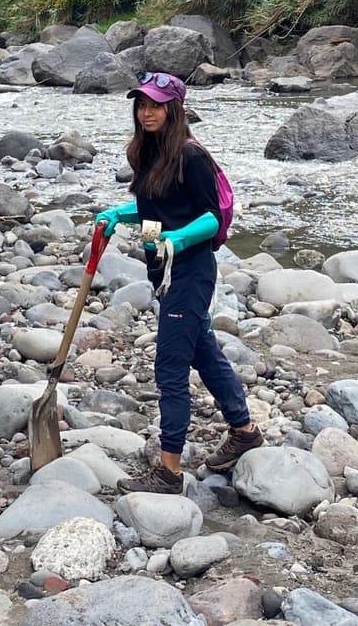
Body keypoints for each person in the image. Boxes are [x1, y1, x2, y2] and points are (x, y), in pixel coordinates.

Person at [96, 71, 262, 494]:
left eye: (155, 105)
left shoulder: (191, 156)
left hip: (191, 271)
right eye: (141, 104)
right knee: (202, 352)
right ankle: (244, 431)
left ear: (175, 108)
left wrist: (178, 238)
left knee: (170, 368)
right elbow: (154, 210)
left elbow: (213, 217)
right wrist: (120, 216)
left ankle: (169, 471)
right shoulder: (145, 152)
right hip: (163, 270)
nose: (147, 112)